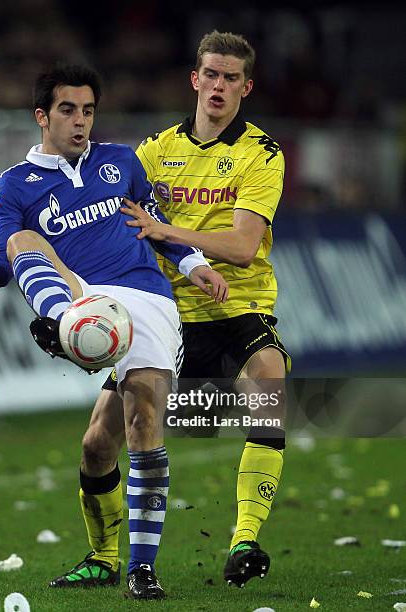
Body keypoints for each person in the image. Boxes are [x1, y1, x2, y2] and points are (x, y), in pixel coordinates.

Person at [0, 64, 227, 600]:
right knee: (25, 239)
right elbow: (0, 262)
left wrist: (195, 265)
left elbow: (154, 227)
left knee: (111, 439)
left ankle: (140, 569)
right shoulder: (12, 186)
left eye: (88, 111)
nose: (80, 122)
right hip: (80, 295)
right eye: (67, 110)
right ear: (42, 115)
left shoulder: (121, 162)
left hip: (145, 301)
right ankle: (63, 326)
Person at [74, 31, 291, 590]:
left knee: (270, 378)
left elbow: (243, 247)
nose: (219, 86)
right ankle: (102, 556)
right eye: (211, 75)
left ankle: (245, 538)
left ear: (247, 87)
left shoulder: (261, 155)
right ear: (195, 80)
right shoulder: (154, 151)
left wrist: (164, 228)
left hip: (236, 306)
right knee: (98, 440)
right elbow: (112, 218)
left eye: (231, 78)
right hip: (165, 314)